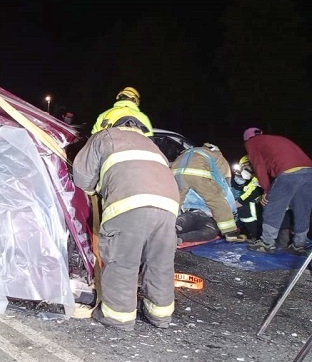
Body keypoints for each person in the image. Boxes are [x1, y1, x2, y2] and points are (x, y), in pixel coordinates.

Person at [73, 115, 179, 330]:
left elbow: (82, 178)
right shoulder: (151, 144)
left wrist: (96, 190)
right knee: (160, 262)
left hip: (128, 203)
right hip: (168, 207)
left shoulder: (105, 136)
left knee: (123, 259)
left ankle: (118, 317)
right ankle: (160, 316)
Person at [244, 128, 312, 255]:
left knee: (273, 206)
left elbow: (259, 167)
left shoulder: (252, 142)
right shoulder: (275, 139)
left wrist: (266, 190)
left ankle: (267, 243)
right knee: (302, 209)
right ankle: (299, 245)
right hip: (309, 171)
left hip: (289, 172)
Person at [171, 143, 245, 242]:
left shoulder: (191, 151)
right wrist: (223, 191)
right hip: (197, 173)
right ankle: (230, 233)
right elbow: (225, 176)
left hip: (177, 172)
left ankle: (165, 226)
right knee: (216, 200)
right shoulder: (217, 154)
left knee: (176, 201)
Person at [232, 155, 264, 239]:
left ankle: (255, 237)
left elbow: (255, 191)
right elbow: (241, 188)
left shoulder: (260, 176)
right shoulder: (251, 178)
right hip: (249, 211)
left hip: (257, 210)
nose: (245, 170)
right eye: (243, 167)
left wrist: (240, 202)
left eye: (247, 166)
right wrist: (239, 177)